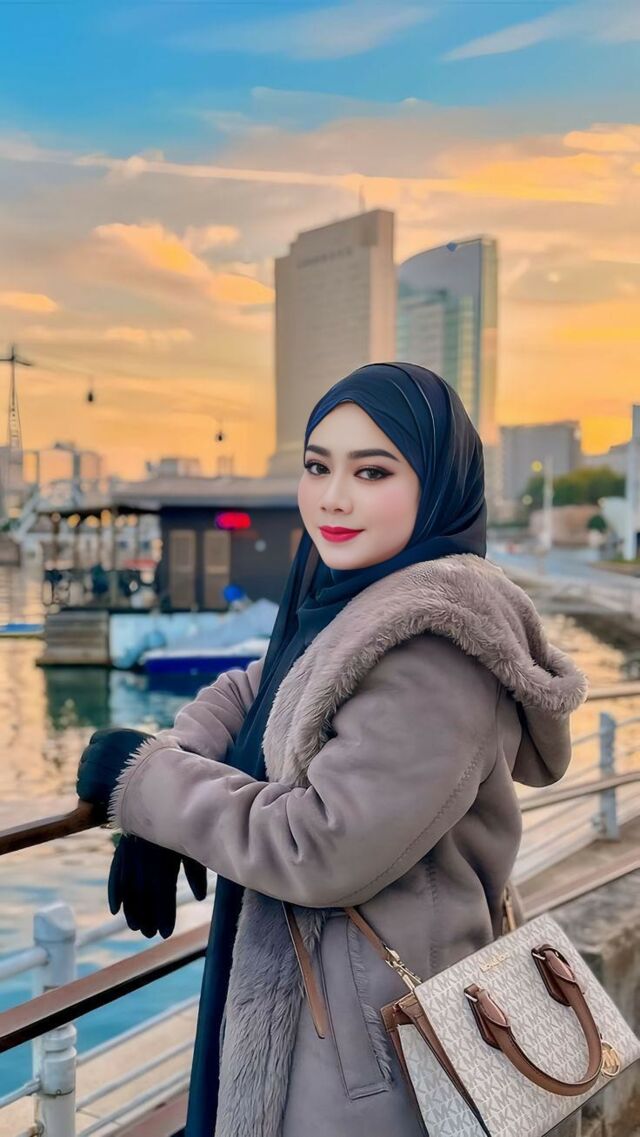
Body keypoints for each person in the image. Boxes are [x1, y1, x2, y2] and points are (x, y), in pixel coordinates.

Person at [76, 363, 588, 1137]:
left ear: (436, 486)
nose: (333, 497)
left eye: (372, 471)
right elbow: (261, 688)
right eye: (318, 467)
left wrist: (146, 785)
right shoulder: (351, 605)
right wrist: (169, 768)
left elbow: (320, 845)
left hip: (372, 1063)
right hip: (328, 1023)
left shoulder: (435, 654)